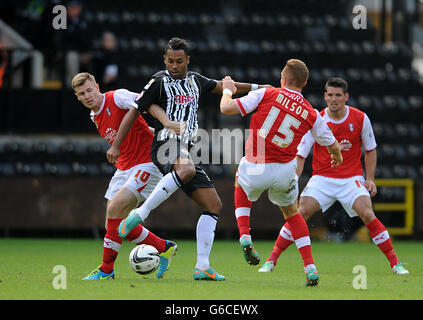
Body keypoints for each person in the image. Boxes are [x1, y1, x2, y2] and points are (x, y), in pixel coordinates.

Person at [107, 37, 268, 281]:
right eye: (170, 60)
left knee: (214, 205)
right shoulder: (158, 81)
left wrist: (262, 88)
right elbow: (135, 110)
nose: (174, 65)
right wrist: (117, 145)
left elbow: (226, 85)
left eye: (179, 61)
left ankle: (202, 266)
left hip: (187, 149)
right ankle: (140, 214)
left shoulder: (196, 81)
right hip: (165, 143)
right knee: (187, 169)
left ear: (187, 61)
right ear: (164, 59)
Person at [259, 77, 409, 275]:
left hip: (351, 178)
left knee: (367, 213)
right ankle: (271, 261)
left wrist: (370, 178)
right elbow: (301, 154)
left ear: (346, 97)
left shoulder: (361, 118)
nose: (334, 99)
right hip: (322, 178)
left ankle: (395, 263)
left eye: (338, 95)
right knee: (299, 212)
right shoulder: (315, 119)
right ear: (325, 96)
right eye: (330, 95)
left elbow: (370, 150)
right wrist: (293, 181)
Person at [219, 59, 343, 286]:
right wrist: (338, 156)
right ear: (304, 83)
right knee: (292, 214)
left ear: (282, 79)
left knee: (240, 181)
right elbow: (332, 143)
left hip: (256, 165)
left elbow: (226, 108)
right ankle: (310, 267)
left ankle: (245, 235)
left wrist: (228, 89)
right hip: (285, 170)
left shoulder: (266, 95)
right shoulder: (311, 112)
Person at [72, 72, 183, 280]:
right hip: (124, 167)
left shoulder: (118, 97)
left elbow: (146, 103)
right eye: (81, 94)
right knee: (114, 225)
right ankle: (163, 246)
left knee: (115, 209)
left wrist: (166, 122)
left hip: (147, 162)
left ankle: (106, 270)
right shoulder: (93, 116)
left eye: (89, 90)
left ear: (97, 86)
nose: (87, 96)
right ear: (77, 97)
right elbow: (136, 127)